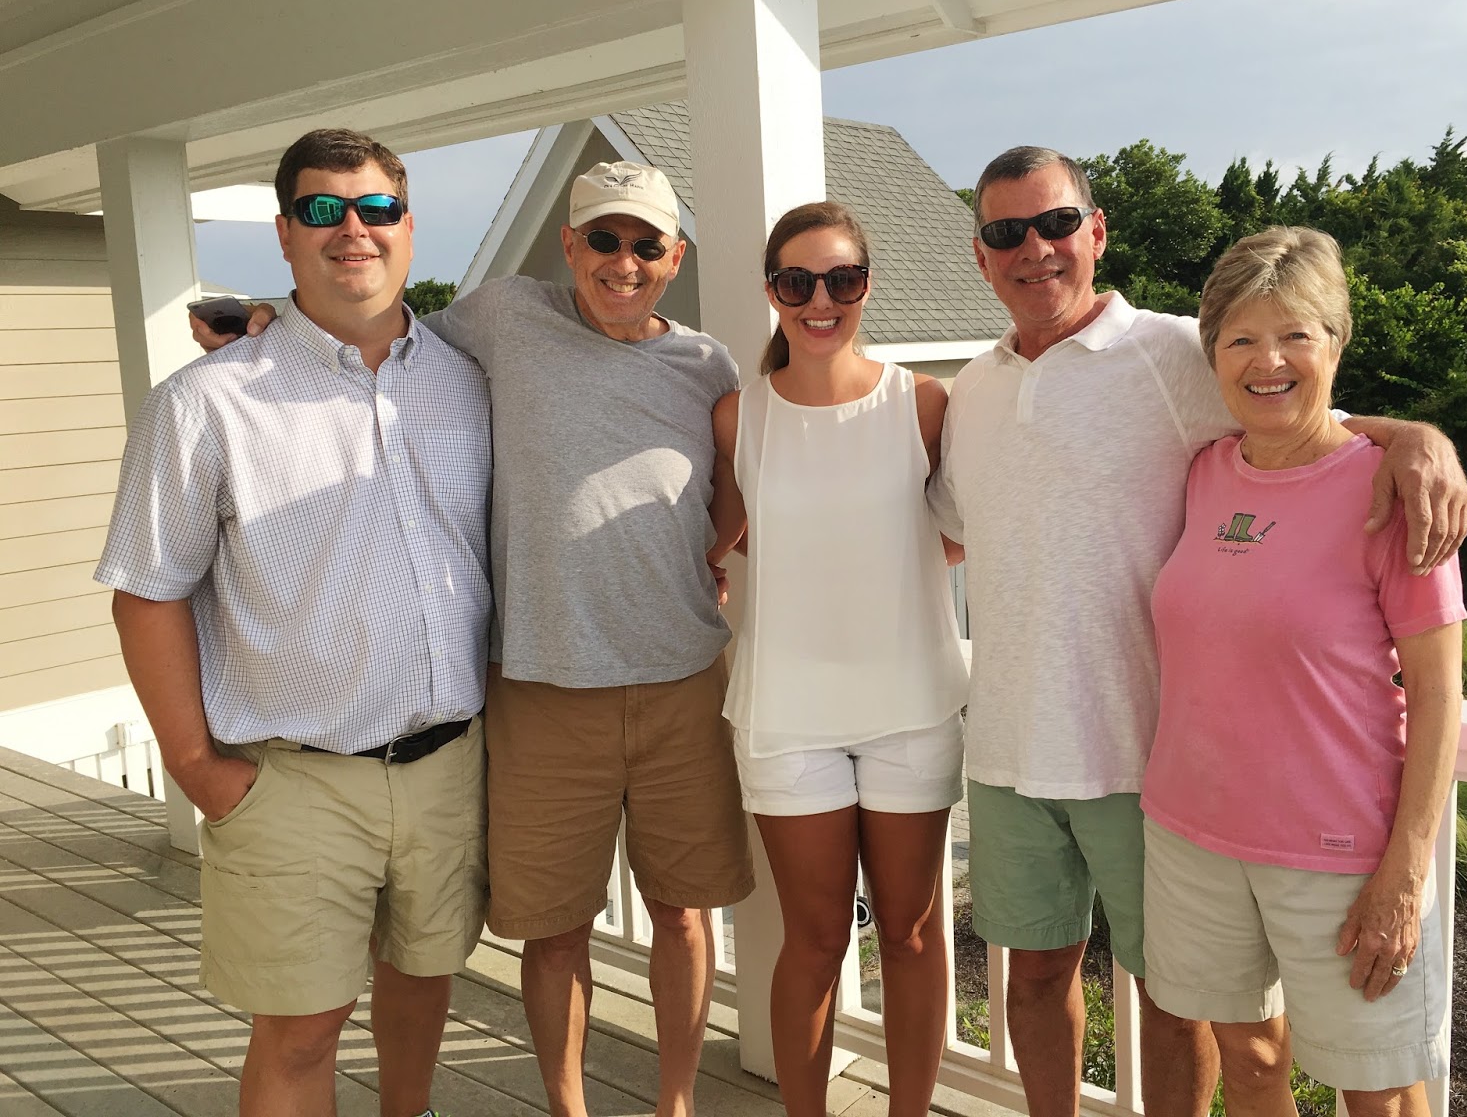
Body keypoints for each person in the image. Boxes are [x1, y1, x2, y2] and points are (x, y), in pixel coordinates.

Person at [927, 146, 1467, 1117]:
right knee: (1045, 981)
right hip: (1024, 754)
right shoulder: (972, 388)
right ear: (979, 254)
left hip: (1145, 761)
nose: (1034, 248)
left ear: (1096, 232)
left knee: (1191, 1014)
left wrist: (1419, 438)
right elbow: (954, 530)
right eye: (1007, 231)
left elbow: (1304, 411)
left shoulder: (1174, 350)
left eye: (1056, 223)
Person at [207, 160, 754, 1117]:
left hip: (680, 681)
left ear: (675, 258)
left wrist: (690, 558)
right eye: (604, 239)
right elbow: (380, 325)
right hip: (538, 688)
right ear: (569, 245)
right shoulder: (503, 316)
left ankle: (676, 1104)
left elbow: (732, 494)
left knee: (682, 913)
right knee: (556, 928)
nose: (623, 262)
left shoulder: (709, 366)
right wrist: (273, 315)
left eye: (646, 245)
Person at [102, 128, 492, 1117]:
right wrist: (196, 767)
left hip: (451, 765)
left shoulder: (469, 378)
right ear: (285, 233)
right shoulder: (205, 402)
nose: (352, 229)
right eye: (323, 209)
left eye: (376, 208)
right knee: (301, 1031)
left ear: (408, 227)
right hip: (293, 780)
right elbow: (146, 591)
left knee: (423, 983)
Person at [1140, 226, 1464, 1117]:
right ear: (1213, 355)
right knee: (1248, 1058)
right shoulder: (1206, 470)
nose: (1268, 360)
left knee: (1380, 1091)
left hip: (1342, 854)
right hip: (1192, 835)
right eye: (1241, 339)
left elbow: (1439, 695)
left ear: (1337, 342)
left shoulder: (1396, 493)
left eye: (1295, 335)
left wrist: (1407, 866)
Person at [706, 202, 970, 1117]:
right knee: (815, 941)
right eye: (798, 282)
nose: (821, 301)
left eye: (841, 279)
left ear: (866, 285)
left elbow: (962, 528)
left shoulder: (923, 404)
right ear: (772, 291)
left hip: (912, 708)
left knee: (911, 934)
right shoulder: (739, 417)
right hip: (785, 717)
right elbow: (715, 535)